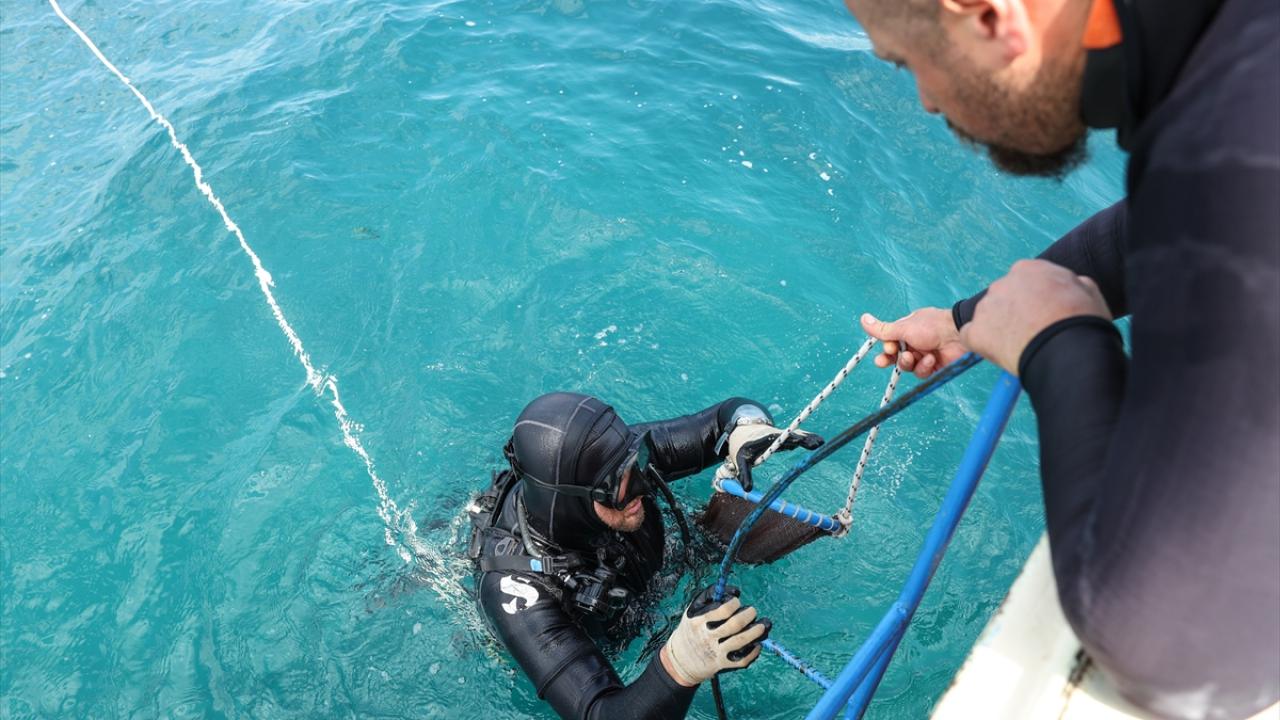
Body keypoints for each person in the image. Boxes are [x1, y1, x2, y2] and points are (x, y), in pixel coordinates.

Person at [840, 0, 1278, 717]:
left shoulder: (1232, 151)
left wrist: (1060, 343)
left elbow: (1170, 648)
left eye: (908, 61)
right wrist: (970, 319)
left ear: (989, 16)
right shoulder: (1226, 55)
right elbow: (1172, 219)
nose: (923, 100)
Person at [467, 391, 822, 719]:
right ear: (573, 500)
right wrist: (680, 664)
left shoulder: (615, 457)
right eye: (617, 481)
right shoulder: (514, 591)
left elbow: (725, 417)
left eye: (634, 461)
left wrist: (747, 428)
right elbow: (601, 714)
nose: (640, 482)